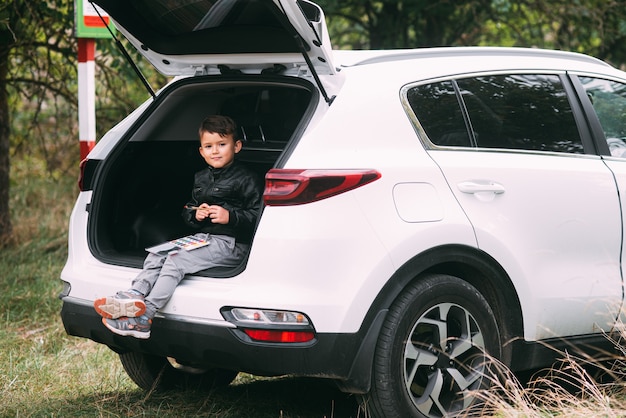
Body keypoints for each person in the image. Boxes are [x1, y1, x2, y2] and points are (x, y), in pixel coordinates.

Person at [93, 115, 263, 339]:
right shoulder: (201, 178)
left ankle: (145, 318)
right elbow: (188, 210)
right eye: (209, 146)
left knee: (175, 262)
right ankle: (135, 294)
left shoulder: (247, 178)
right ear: (201, 151)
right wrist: (196, 214)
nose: (215, 151)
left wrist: (230, 217)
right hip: (203, 238)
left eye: (222, 145)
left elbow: (259, 218)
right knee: (157, 254)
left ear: (237, 146)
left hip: (232, 244)